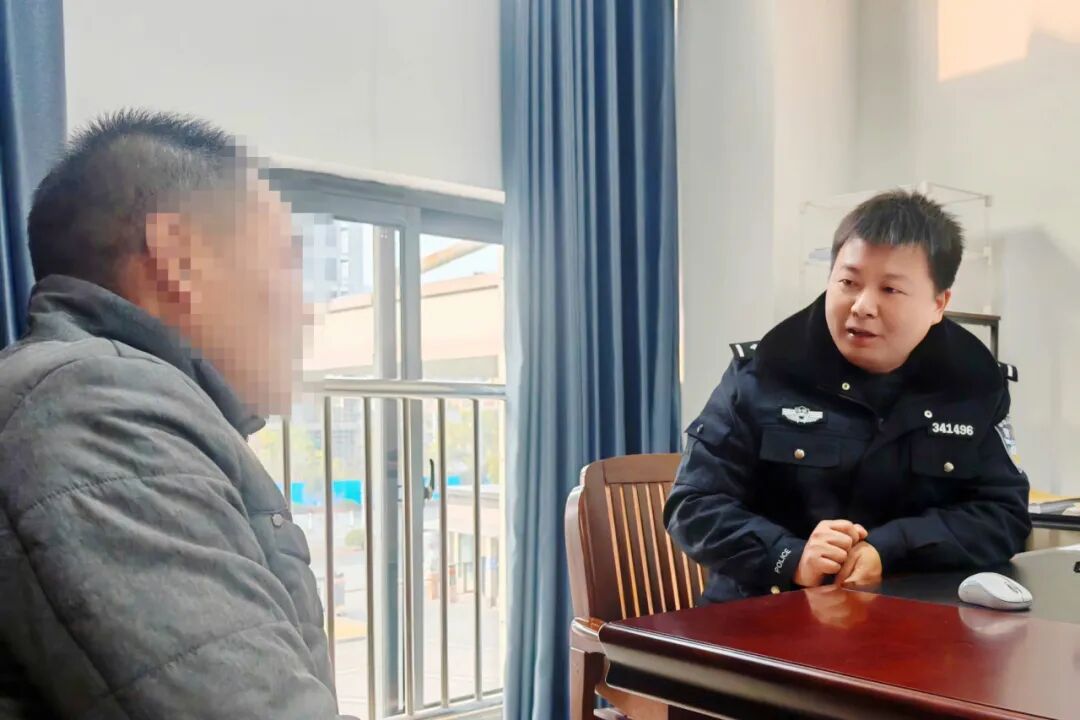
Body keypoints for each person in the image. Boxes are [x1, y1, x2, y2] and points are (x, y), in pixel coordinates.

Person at [0, 110, 355, 718]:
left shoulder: (104, 399)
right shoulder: (95, 406)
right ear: (178, 257)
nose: (305, 310)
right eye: (286, 261)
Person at [665, 190, 1031, 605]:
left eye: (890, 289)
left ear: (938, 304)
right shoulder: (766, 370)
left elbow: (1003, 516)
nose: (862, 306)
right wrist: (790, 556)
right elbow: (693, 505)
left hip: (911, 621)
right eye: (848, 282)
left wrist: (891, 548)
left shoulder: (971, 382)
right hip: (763, 615)